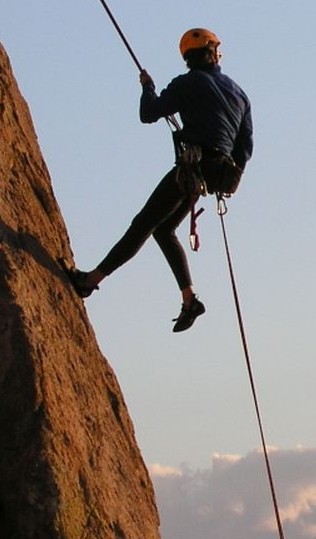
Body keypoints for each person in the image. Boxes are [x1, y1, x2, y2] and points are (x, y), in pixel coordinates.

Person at [68, 28, 253, 332]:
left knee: (143, 224)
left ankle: (89, 281)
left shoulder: (187, 83)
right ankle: (189, 298)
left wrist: (147, 87)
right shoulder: (239, 94)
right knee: (164, 230)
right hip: (216, 171)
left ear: (188, 57)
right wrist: (232, 174)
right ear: (213, 52)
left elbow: (149, 113)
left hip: (191, 168)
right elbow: (245, 147)